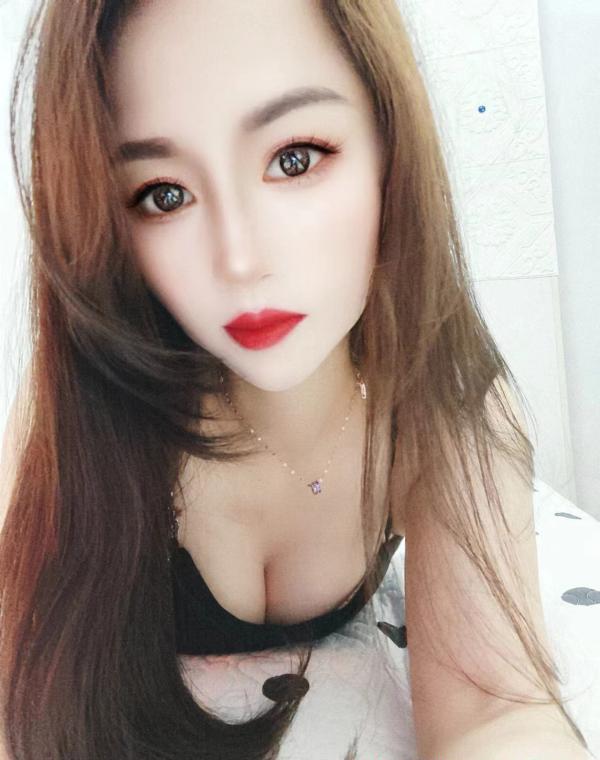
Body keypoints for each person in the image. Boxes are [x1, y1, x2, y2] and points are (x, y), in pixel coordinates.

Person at [0, 1, 593, 759]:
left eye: (295, 157)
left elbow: (494, 710)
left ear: (389, 144)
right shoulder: (77, 417)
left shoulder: (447, 407)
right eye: (164, 194)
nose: (240, 260)